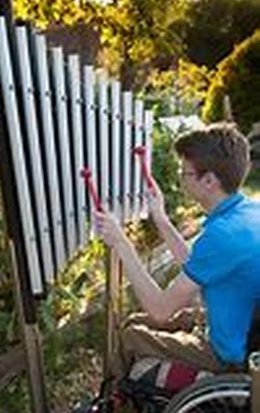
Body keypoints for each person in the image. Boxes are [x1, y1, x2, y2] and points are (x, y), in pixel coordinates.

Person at [95, 122, 260, 381]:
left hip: (227, 355)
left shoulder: (223, 236)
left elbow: (160, 309)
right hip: (235, 326)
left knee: (129, 335)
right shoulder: (247, 212)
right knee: (133, 321)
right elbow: (199, 265)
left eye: (185, 173)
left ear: (209, 181)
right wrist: (161, 219)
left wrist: (121, 243)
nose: (180, 178)